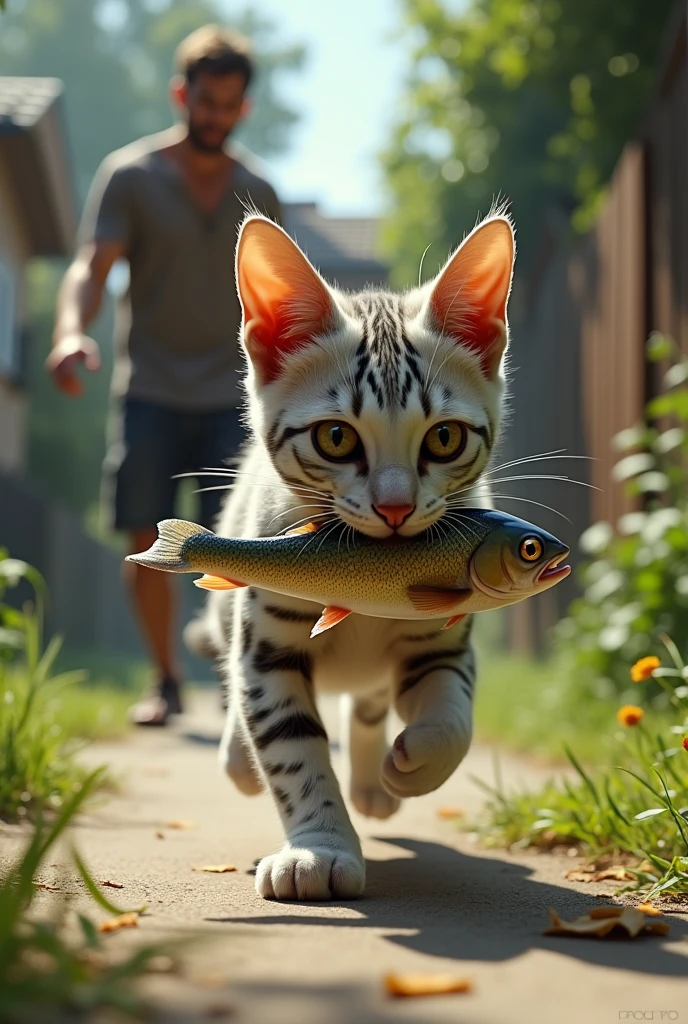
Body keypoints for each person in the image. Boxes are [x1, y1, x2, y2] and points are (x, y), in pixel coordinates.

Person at [47, 24, 282, 725]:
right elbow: (92, 266)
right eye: (204, 101)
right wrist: (68, 331)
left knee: (240, 550)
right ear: (182, 94)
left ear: (244, 108)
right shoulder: (132, 175)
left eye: (228, 105)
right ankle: (165, 680)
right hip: (149, 386)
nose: (213, 116)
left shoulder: (259, 188)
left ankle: (243, 680)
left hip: (229, 397)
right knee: (148, 543)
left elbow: (281, 295)